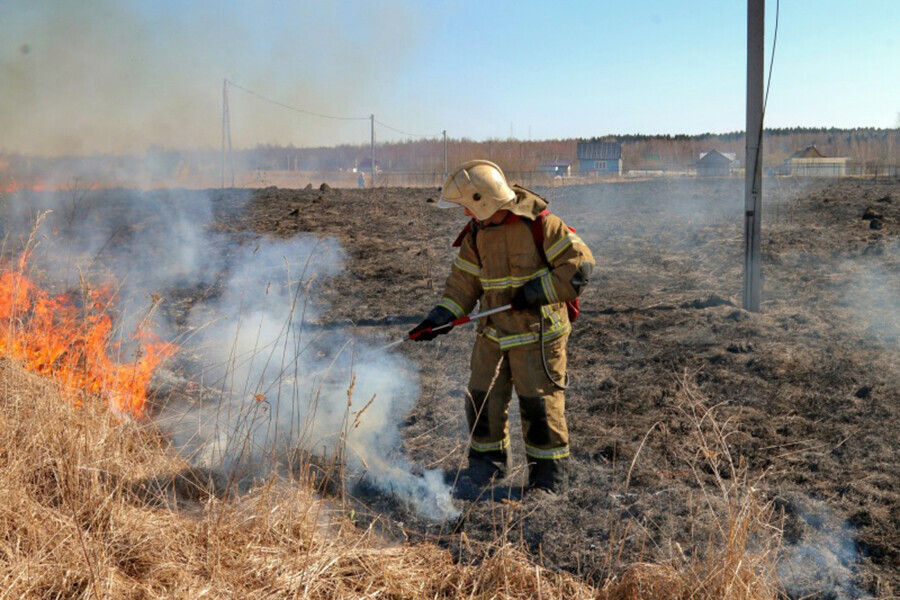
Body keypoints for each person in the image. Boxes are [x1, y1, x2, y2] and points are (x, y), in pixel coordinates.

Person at [410, 160, 594, 497]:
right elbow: (463, 285)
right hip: (493, 334)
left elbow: (579, 267)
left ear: (484, 200)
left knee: (539, 405)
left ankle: (548, 478)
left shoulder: (541, 224)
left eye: (467, 205)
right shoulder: (477, 234)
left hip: (538, 335)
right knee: (481, 397)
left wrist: (536, 293)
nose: (465, 213)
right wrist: (439, 318)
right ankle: (487, 465)